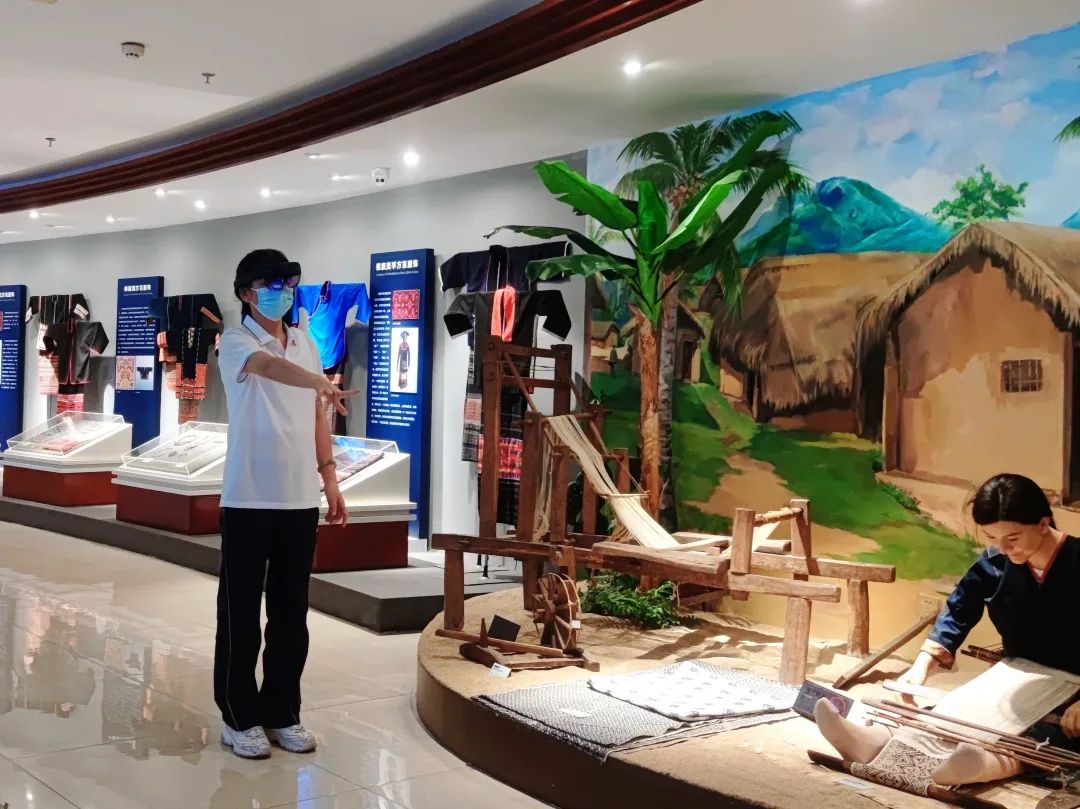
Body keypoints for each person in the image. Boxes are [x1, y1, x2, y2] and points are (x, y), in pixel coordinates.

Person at [816, 473, 1080, 785]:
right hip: (1017, 675)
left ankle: (978, 765)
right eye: (992, 538)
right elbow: (959, 608)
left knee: (1044, 734)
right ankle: (875, 740)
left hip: (1074, 689)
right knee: (961, 708)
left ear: (1043, 523)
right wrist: (920, 667)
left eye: (1012, 538)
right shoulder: (997, 561)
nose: (1003, 548)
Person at [214, 249, 356, 759]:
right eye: (273, 285)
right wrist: (316, 380)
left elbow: (318, 416)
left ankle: (282, 712)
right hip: (249, 497)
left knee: (291, 612)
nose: (284, 293)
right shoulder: (236, 341)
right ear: (247, 292)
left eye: (290, 284)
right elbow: (268, 368)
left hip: (298, 499)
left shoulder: (305, 342)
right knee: (240, 612)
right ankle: (238, 715)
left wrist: (329, 478)